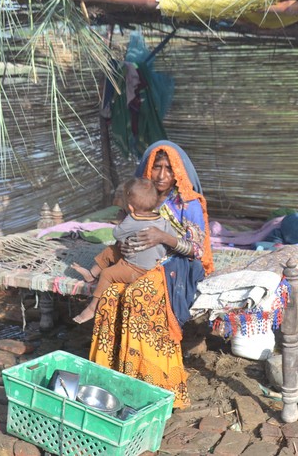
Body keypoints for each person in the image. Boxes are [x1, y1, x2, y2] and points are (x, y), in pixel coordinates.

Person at [88, 141, 213, 409]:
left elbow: (197, 251)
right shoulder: (138, 195)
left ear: (178, 171)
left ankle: (157, 383)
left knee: (140, 296)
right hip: (136, 263)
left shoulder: (187, 202)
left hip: (178, 265)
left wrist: (163, 236)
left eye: (169, 169)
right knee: (109, 294)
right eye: (156, 167)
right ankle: (113, 378)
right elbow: (125, 232)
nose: (161, 175)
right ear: (147, 168)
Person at [70, 177, 175, 324]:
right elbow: (173, 238)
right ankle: (91, 275)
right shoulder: (162, 220)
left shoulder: (132, 220)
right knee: (110, 251)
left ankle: (93, 307)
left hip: (138, 269)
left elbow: (117, 234)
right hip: (153, 265)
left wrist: (121, 220)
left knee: (107, 274)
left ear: (130, 207)